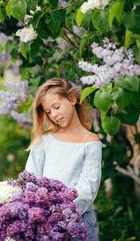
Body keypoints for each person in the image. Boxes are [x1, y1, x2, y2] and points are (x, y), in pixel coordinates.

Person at [25, 77, 102, 241]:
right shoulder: (44, 141)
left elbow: (87, 190)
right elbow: (30, 179)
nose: (54, 115)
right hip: (44, 221)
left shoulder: (90, 143)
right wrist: (42, 214)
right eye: (48, 111)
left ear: (72, 99)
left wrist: (60, 213)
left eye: (56, 107)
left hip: (79, 222)